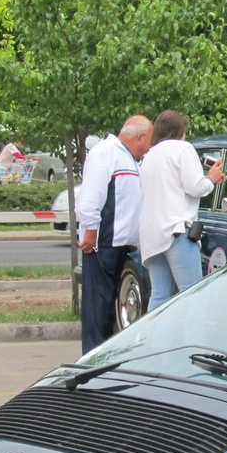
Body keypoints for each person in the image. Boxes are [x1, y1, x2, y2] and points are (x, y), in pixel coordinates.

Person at [77, 115, 152, 352]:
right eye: (148, 140)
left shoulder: (127, 158)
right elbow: (91, 196)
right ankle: (92, 355)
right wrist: (90, 230)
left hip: (119, 243)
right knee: (97, 304)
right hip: (103, 241)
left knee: (107, 303)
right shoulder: (105, 153)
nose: (149, 147)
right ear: (139, 137)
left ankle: (102, 353)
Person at [138, 110, 225, 310]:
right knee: (193, 296)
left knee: (159, 296)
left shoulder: (149, 156)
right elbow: (195, 188)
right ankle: (191, 340)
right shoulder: (183, 149)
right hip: (177, 231)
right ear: (179, 131)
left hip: (151, 235)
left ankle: (155, 341)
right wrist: (211, 178)